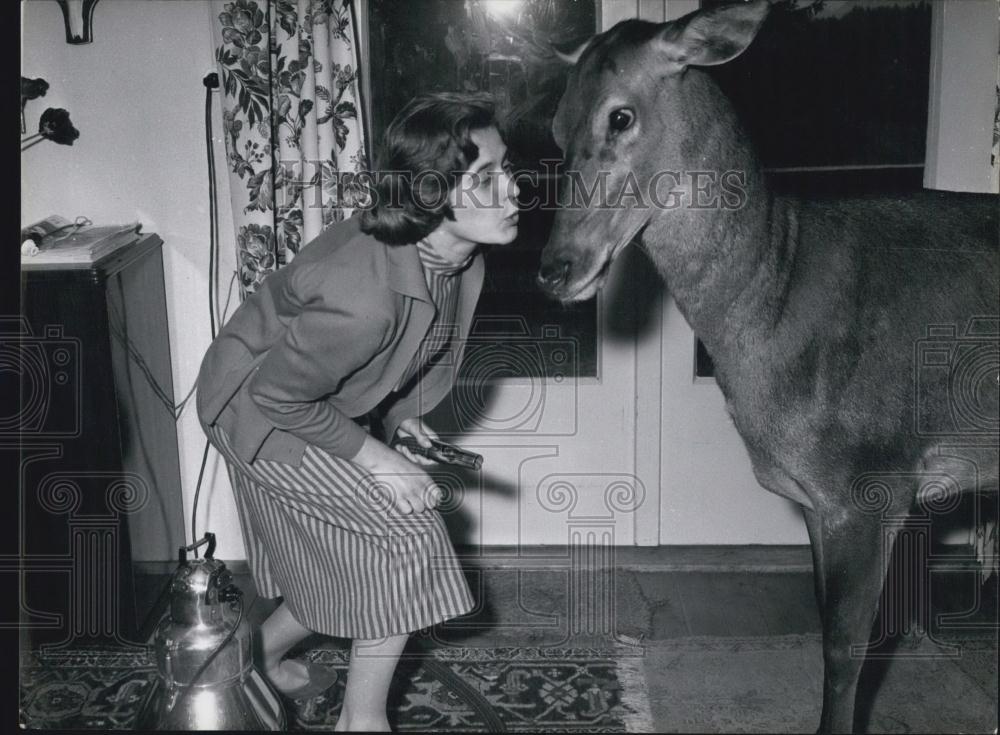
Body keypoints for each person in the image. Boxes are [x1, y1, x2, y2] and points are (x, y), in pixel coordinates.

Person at [195, 92, 520, 732]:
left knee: (343, 563)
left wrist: (398, 416)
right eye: (484, 179)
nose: (511, 191)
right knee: (404, 538)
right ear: (430, 196)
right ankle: (362, 724)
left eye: (506, 168)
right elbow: (278, 396)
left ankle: (253, 659)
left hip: (306, 400)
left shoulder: (457, 258)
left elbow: (396, 355)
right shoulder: (365, 292)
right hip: (255, 411)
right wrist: (378, 459)